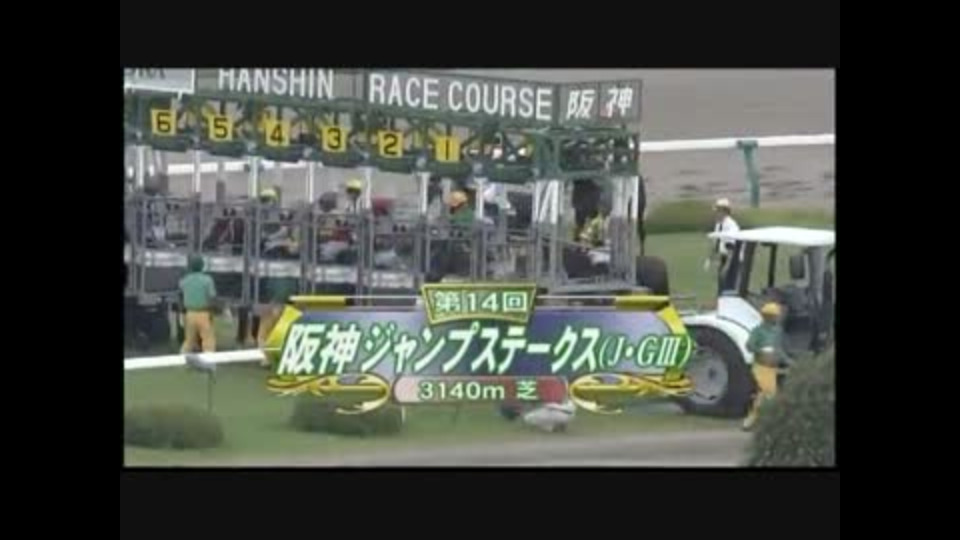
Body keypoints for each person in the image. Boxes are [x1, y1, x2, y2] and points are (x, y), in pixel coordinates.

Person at [742, 302, 791, 431]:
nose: (777, 318)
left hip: (772, 369)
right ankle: (751, 421)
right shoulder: (758, 331)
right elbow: (749, 346)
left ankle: (759, 421)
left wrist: (788, 361)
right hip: (760, 367)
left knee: (767, 396)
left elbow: (779, 349)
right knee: (766, 393)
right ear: (767, 317)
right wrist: (761, 350)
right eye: (774, 316)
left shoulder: (778, 331)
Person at [179, 254, 218, 353]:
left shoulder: (184, 280)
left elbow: (181, 296)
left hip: (189, 313)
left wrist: (182, 312)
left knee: (189, 340)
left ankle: (182, 357)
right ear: (202, 266)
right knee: (208, 340)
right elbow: (212, 297)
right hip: (203, 312)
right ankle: (208, 357)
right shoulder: (208, 280)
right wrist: (212, 311)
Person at [704, 198, 740, 276]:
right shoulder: (719, 224)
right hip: (724, 257)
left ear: (724, 211)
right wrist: (709, 259)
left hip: (733, 259)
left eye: (718, 211)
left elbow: (731, 248)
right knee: (721, 280)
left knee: (728, 281)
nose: (716, 213)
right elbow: (716, 244)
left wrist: (727, 266)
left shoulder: (731, 225)